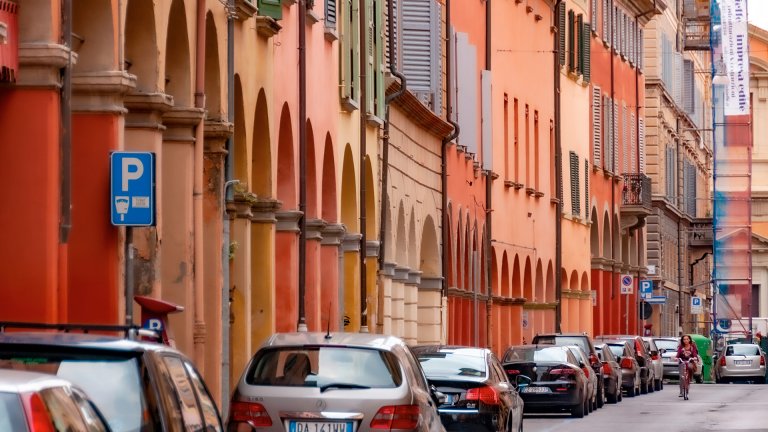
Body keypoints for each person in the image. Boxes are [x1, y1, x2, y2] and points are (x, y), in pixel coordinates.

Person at [677, 334, 698, 399]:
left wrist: (694, 357)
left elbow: (694, 353)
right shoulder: (681, 347)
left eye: (687, 339)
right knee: (681, 377)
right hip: (682, 362)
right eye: (684, 339)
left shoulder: (692, 346)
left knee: (690, 367)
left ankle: (690, 378)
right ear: (682, 340)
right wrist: (676, 358)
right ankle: (681, 392)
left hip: (689, 361)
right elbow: (678, 354)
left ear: (689, 340)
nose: (685, 340)